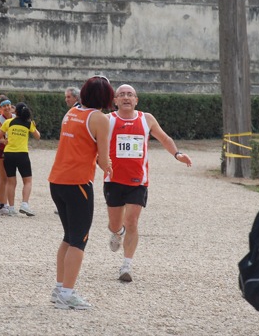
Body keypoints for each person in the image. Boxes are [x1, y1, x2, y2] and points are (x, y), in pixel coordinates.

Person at [105, 84, 192, 282]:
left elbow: (164, 138)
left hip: (138, 181)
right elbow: (95, 144)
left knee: (132, 221)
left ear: (136, 100)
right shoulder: (108, 120)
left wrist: (177, 154)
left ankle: (126, 266)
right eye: (122, 95)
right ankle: (117, 233)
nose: (126, 97)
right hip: (113, 180)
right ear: (115, 101)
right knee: (115, 224)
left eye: (130, 95)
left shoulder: (146, 119)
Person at [48, 75, 114, 310]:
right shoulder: (100, 119)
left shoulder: (71, 113)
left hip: (57, 180)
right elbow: (103, 158)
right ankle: (67, 293)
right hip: (78, 183)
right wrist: (109, 168)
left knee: (68, 236)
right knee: (79, 240)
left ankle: (59, 289)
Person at [0, 102, 40, 217]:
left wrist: (4, 140)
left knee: (11, 182)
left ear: (15, 111)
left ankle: (11, 208)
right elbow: (38, 137)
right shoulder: (28, 123)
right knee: (27, 181)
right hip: (22, 154)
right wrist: (33, 126)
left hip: (8, 154)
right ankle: (24, 204)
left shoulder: (8, 122)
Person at [0, 97, 15, 214]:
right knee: (3, 177)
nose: (7, 107)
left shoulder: (15, 118)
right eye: (4, 106)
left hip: (12, 150)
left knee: (8, 178)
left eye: (8, 105)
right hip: (1, 150)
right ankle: (2, 203)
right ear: (0, 108)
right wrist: (2, 140)